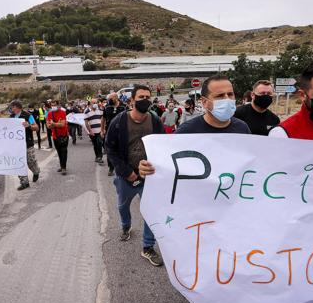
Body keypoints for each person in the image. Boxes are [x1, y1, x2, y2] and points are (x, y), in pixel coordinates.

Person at [139, 75, 250, 178]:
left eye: (230, 94)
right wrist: (147, 169)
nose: (227, 99)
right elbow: (164, 162)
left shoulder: (242, 128)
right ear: (204, 102)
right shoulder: (187, 131)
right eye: (220, 96)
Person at [105, 84, 165, 267]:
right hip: (125, 176)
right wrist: (127, 172)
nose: (145, 100)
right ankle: (125, 225)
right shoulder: (119, 121)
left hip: (149, 177)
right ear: (131, 101)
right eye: (141, 97)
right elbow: (110, 148)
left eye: (148, 96)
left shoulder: (155, 121)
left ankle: (148, 246)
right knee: (123, 206)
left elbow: (162, 146)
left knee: (150, 211)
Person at [10, 100, 41, 190]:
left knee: (31, 161)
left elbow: (37, 127)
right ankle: (24, 182)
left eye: (13, 107)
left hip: (27, 143)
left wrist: (29, 126)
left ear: (17, 107)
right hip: (16, 145)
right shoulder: (11, 117)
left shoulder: (28, 115)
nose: (11, 109)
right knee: (19, 163)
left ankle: (36, 172)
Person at [102, 93, 127, 176]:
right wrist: (102, 130)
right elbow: (103, 119)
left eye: (111, 98)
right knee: (109, 150)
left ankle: (121, 167)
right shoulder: (107, 107)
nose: (109, 100)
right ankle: (111, 168)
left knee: (121, 150)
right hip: (109, 132)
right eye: (109, 98)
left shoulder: (123, 107)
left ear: (116, 98)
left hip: (121, 132)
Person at [47, 100, 69, 175]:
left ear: (58, 105)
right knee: (59, 152)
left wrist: (54, 124)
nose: (53, 107)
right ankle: (61, 165)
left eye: (54, 105)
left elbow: (62, 125)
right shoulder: (50, 113)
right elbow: (48, 125)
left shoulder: (62, 112)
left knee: (64, 151)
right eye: (52, 105)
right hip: (55, 136)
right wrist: (55, 124)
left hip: (64, 135)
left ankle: (64, 168)